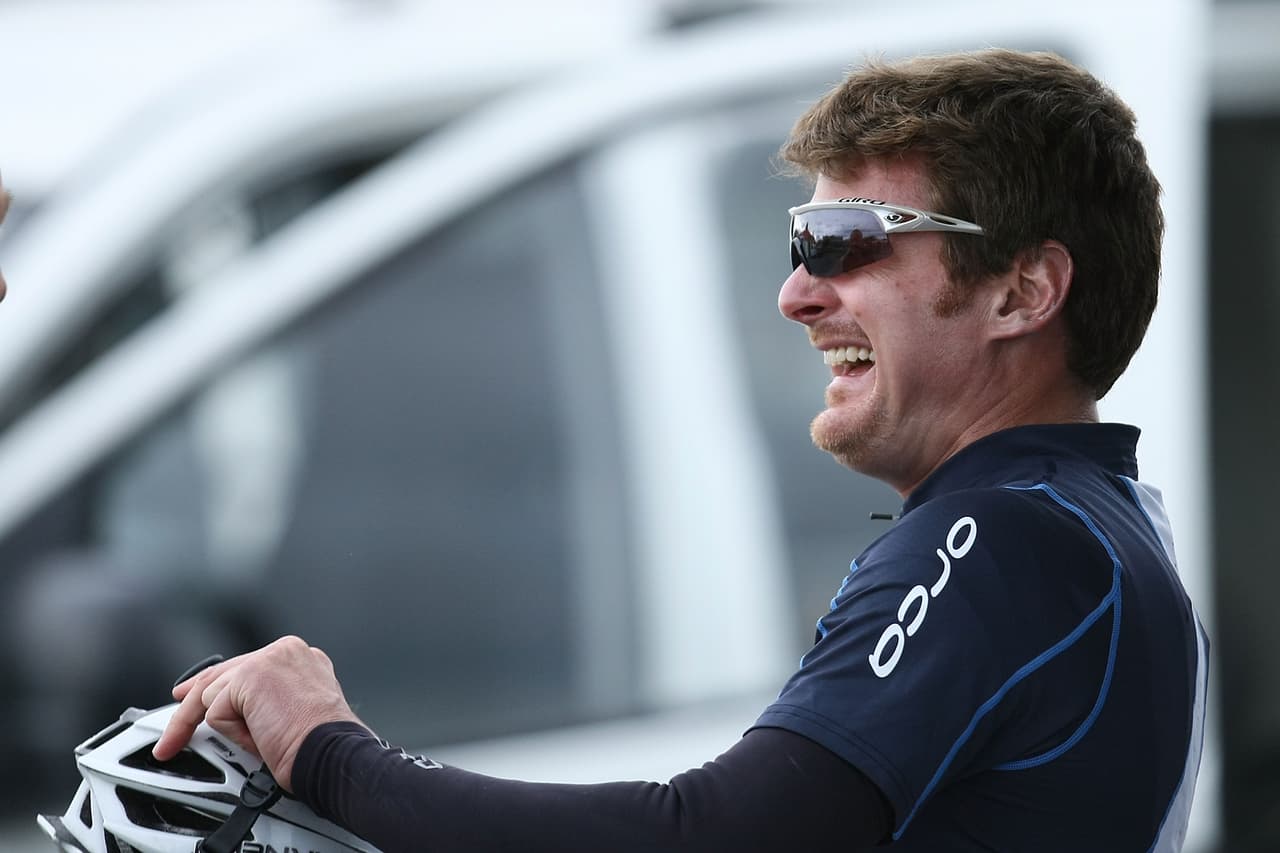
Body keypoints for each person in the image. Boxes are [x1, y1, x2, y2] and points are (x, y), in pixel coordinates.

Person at [152, 49, 1208, 851]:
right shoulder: (1096, 523)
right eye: (799, 246)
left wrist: (324, 749)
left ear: (1022, 290)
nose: (795, 291)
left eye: (845, 239)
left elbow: (705, 837)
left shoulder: (1003, 534)